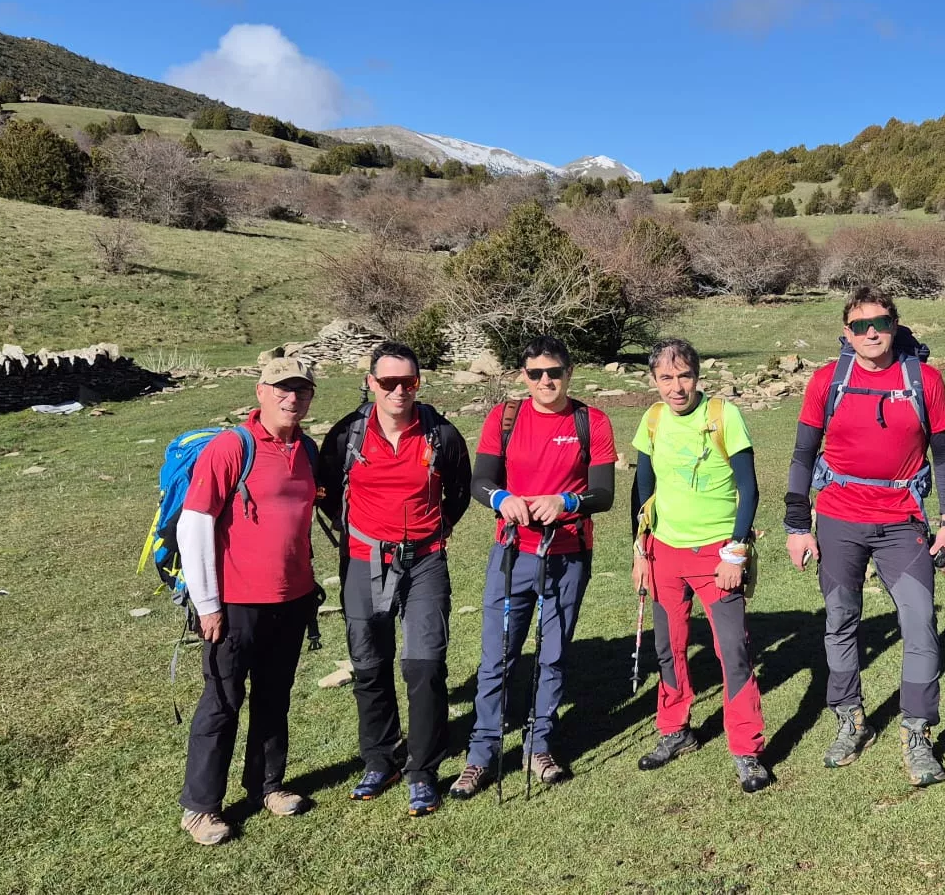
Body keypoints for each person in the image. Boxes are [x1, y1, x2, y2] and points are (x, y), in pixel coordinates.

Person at [784, 287, 945, 787]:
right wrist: (798, 526)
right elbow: (801, 456)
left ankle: (918, 732)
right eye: (859, 326)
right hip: (839, 517)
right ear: (846, 333)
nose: (871, 333)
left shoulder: (924, 380)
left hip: (902, 521)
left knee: (920, 620)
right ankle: (850, 719)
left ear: (895, 325)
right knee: (841, 620)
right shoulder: (827, 381)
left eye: (880, 323)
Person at [451, 336, 616, 798]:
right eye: (536, 373)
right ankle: (481, 754)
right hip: (511, 553)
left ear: (569, 372)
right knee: (497, 656)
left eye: (555, 372)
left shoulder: (591, 420)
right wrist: (503, 499)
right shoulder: (505, 418)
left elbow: (603, 495)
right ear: (524, 376)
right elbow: (478, 483)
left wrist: (563, 501)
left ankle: (539, 746)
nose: (547, 381)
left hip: (567, 554)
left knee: (553, 654)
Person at [316, 343, 472, 816]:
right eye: (389, 383)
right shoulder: (348, 435)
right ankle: (380, 759)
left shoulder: (441, 433)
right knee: (369, 663)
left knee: (423, 665)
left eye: (410, 382)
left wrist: (434, 530)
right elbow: (326, 493)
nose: (400, 391)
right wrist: (362, 536)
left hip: (425, 560)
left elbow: (460, 492)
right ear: (370, 383)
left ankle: (422, 770)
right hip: (364, 559)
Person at [177, 357, 323, 845]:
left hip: (294, 599)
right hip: (234, 605)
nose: (292, 399)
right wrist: (208, 605)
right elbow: (194, 523)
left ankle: (267, 785)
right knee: (221, 702)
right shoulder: (230, 447)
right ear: (260, 391)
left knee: (274, 698)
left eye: (302, 390)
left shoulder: (307, 449)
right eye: (282, 389)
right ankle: (200, 808)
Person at [628, 338, 771, 793]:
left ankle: (747, 750)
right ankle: (675, 730)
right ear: (654, 380)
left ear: (697, 376)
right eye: (666, 378)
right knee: (668, 648)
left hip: (716, 553)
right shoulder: (651, 420)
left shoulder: (723, 416)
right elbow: (642, 492)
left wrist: (735, 551)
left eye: (684, 375)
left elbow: (749, 490)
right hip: (665, 553)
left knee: (732, 650)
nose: (676, 387)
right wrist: (639, 552)